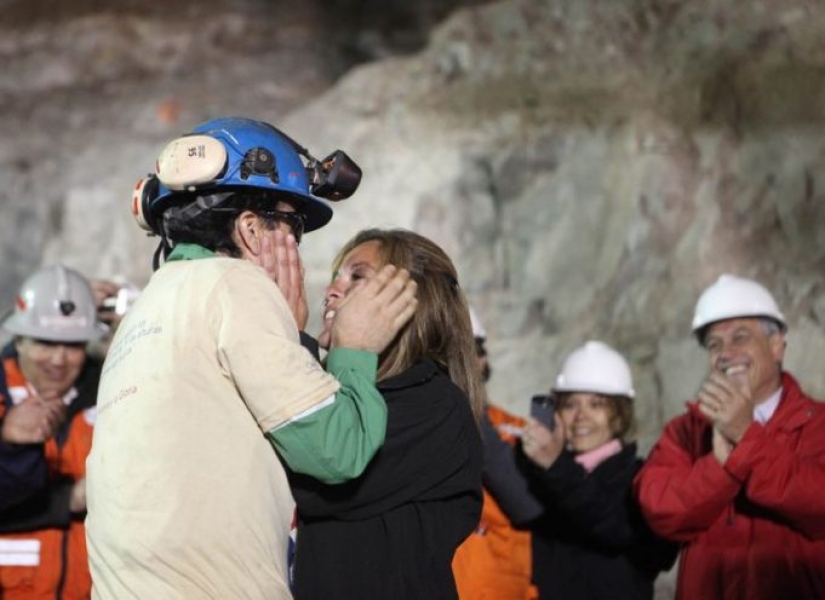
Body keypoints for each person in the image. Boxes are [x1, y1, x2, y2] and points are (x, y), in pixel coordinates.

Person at [85, 118, 418, 599]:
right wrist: (355, 347)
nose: (296, 249)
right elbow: (336, 449)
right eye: (291, 226)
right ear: (249, 228)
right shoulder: (235, 286)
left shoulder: (146, 312)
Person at [289, 228, 483, 599]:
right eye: (335, 277)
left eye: (357, 277)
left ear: (413, 304)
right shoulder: (331, 386)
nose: (331, 290)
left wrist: (290, 342)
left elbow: (322, 472)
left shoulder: (435, 407)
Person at [634, 274, 825, 599]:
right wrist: (720, 467)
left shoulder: (818, 424)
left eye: (740, 337)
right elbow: (661, 511)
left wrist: (745, 438)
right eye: (714, 344)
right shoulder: (685, 431)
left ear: (776, 345)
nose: (726, 353)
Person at [518, 341, 677, 600]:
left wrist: (556, 466)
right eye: (570, 405)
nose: (581, 416)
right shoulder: (544, 472)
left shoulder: (641, 476)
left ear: (620, 414)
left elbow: (613, 526)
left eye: (596, 405)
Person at [0, 264, 108, 599]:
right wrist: (11, 447)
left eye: (74, 345)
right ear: (18, 340)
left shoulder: (108, 395)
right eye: (45, 342)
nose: (59, 360)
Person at [452, 308, 540, 600]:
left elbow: (524, 501)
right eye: (454, 355)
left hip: (500, 588)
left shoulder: (513, 429)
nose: (463, 364)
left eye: (470, 353)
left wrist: (468, 407)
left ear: (482, 359)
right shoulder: (422, 425)